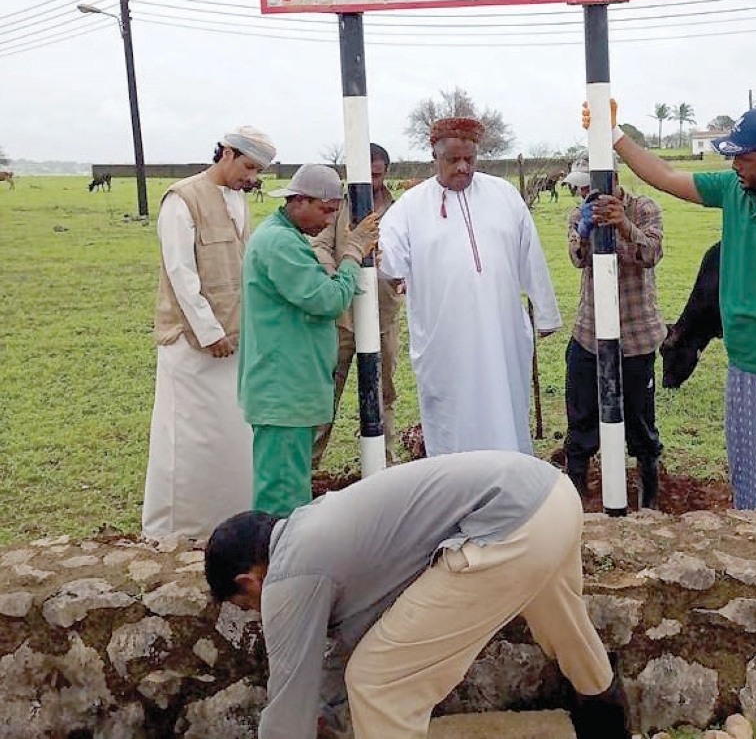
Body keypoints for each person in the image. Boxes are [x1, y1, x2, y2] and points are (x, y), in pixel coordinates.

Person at [204, 450, 630, 739]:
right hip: (550, 493)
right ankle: (608, 722)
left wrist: (310, 719)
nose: (259, 613)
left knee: (378, 683)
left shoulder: (288, 575)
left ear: (248, 581)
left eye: (247, 606)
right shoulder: (312, 529)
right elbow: (337, 652)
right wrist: (328, 714)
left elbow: (287, 706)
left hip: (507, 524)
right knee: (564, 627)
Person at [584, 102, 756, 513]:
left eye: (742, 158)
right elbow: (667, 176)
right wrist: (614, 133)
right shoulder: (735, 193)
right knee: (754, 488)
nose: (733, 166)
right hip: (746, 371)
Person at [378, 117, 561, 456]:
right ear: (435, 158)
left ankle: (511, 478)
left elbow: (530, 255)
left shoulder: (504, 195)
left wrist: (546, 313)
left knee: (506, 405)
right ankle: (457, 488)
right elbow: (387, 262)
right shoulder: (410, 207)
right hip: (444, 337)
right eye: (453, 160)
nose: (463, 167)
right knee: (452, 414)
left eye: (470, 160)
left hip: (502, 330)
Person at [142, 126, 276, 540]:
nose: (251, 177)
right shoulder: (181, 200)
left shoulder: (238, 200)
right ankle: (174, 531)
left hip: (235, 338)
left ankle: (228, 522)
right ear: (227, 153)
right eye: (248, 166)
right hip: (191, 342)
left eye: (258, 171)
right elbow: (181, 274)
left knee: (230, 435)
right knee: (187, 438)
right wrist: (209, 331)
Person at [238, 164, 379, 518]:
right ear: (299, 201)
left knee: (290, 488)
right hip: (283, 389)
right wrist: (352, 253)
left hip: (288, 387)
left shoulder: (285, 238)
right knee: (282, 500)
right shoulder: (280, 243)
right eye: (326, 210)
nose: (331, 220)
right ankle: (274, 564)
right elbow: (328, 300)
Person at [563, 155, 666, 508]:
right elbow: (577, 258)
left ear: (612, 180)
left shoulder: (644, 209)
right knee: (582, 417)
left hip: (636, 336)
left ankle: (648, 496)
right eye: (579, 187)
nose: (582, 192)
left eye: (588, 186)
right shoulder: (580, 213)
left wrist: (623, 226)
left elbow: (651, 253)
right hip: (589, 334)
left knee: (640, 420)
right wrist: (585, 232)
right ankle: (576, 491)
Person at [311, 143, 403, 466]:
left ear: (385, 172)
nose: (372, 182)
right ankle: (309, 465)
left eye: (377, 175)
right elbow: (320, 244)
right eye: (366, 175)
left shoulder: (400, 208)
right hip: (343, 318)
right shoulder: (336, 207)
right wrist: (338, 271)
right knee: (326, 395)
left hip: (384, 315)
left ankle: (385, 463)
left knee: (383, 394)